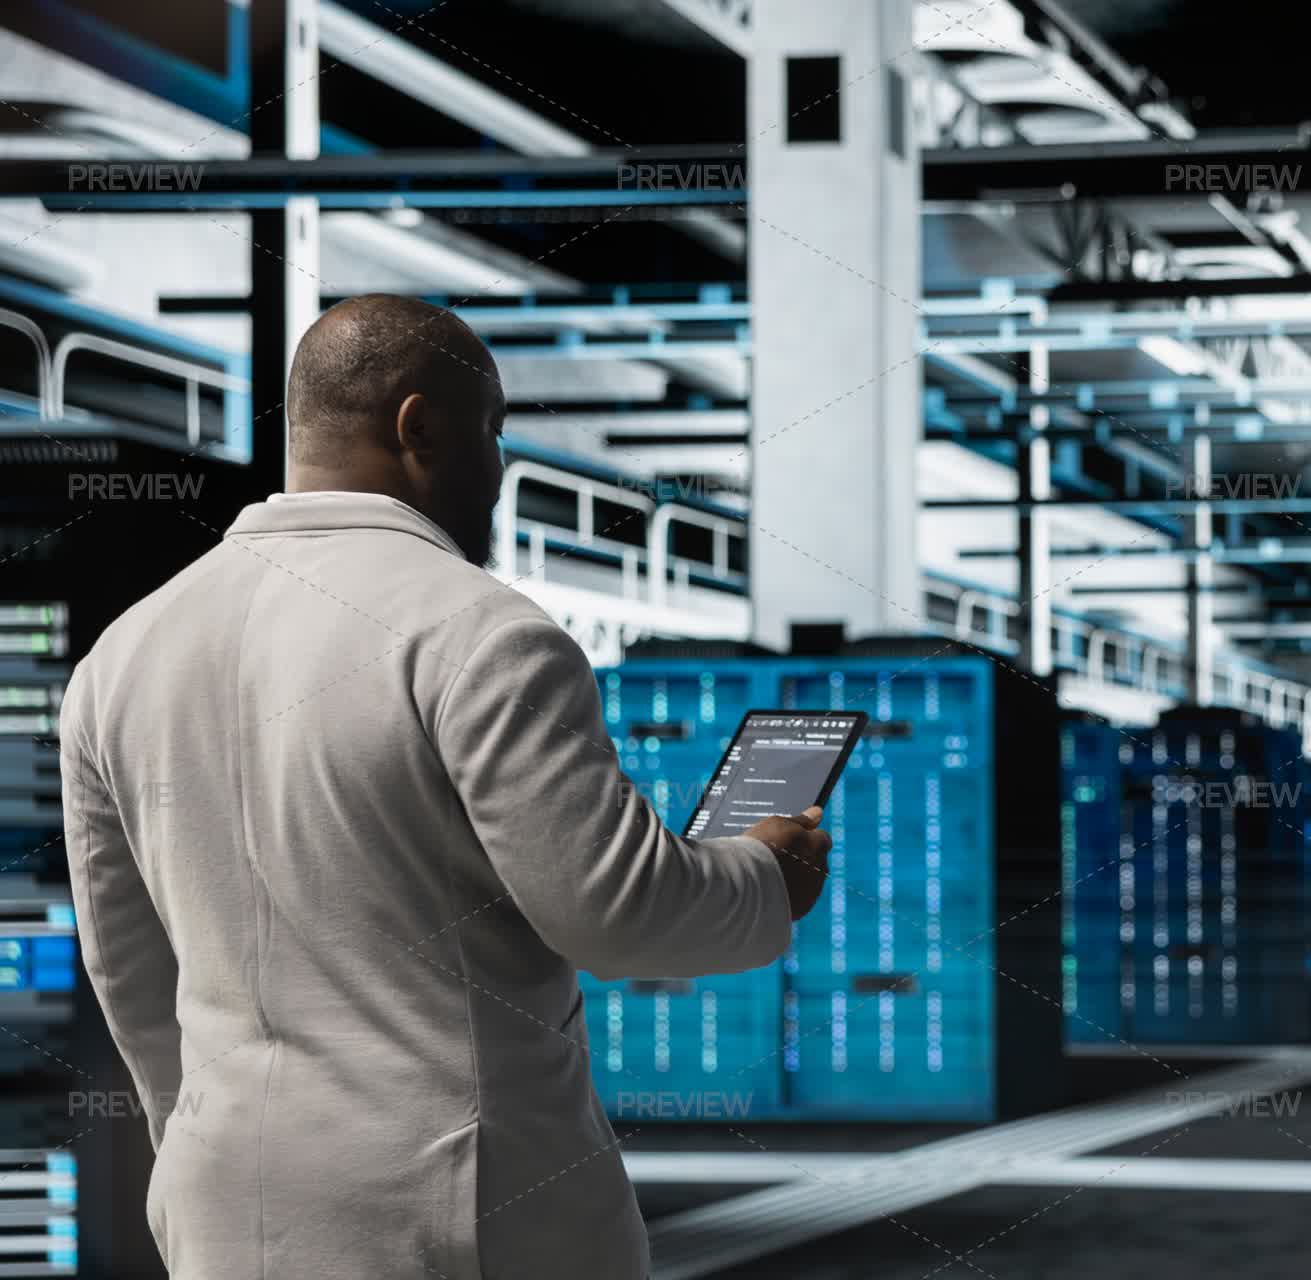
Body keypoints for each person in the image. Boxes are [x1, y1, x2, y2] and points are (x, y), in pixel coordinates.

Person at [58, 294, 830, 1278]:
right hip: (460, 1210)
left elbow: (127, 971)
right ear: (418, 426)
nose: (500, 469)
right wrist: (767, 877)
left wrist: (199, 1142)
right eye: (493, 429)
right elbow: (616, 910)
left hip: (224, 1209)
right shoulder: (484, 633)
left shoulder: (120, 658)